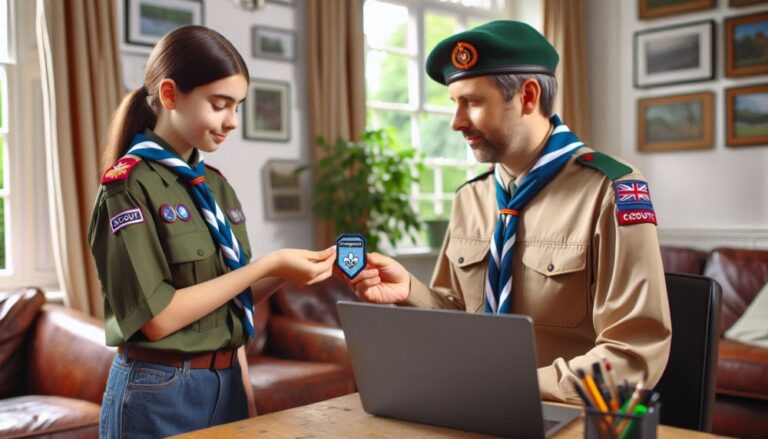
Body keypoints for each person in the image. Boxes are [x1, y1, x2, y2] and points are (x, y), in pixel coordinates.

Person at [342, 20, 671, 404]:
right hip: (477, 407)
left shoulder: (611, 190)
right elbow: (463, 313)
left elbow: (632, 354)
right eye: (455, 103)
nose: (456, 122)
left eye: (473, 102)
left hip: (568, 415)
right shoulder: (472, 198)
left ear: (528, 96)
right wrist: (410, 291)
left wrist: (514, 389)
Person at [88, 25, 335, 438]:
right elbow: (159, 319)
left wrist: (287, 273)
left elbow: (227, 301)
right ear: (169, 95)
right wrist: (265, 265)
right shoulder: (127, 187)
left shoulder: (215, 186)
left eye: (237, 106)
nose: (232, 121)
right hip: (159, 392)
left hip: (226, 383)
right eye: (219, 104)